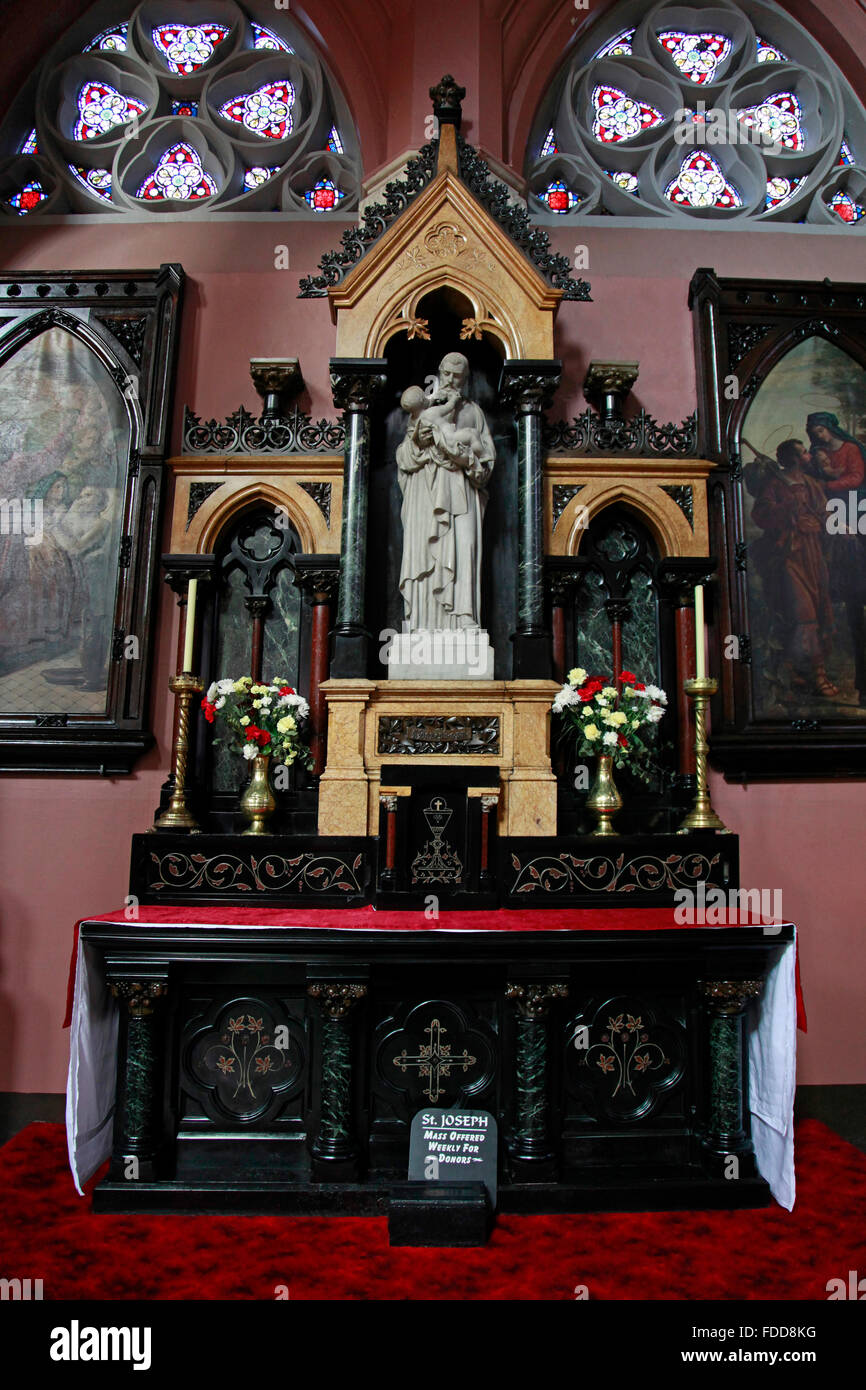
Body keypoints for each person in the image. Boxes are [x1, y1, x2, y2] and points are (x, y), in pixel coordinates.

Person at [396, 352, 495, 631]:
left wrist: (467, 460)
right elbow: (403, 458)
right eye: (448, 374)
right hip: (425, 491)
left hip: (461, 489)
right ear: (440, 372)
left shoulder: (473, 412)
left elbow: (486, 462)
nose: (452, 381)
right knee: (426, 551)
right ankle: (421, 623)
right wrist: (418, 444)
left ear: (466, 378)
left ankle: (464, 615)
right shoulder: (424, 409)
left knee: (465, 547)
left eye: (458, 376)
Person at [750, 439, 837, 697]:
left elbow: (824, 513)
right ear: (794, 458)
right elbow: (761, 515)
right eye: (804, 453)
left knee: (820, 611)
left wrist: (834, 526)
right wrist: (787, 509)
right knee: (803, 614)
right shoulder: (776, 484)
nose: (809, 456)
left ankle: (797, 672)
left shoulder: (811, 484)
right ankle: (817, 673)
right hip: (789, 554)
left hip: (813, 553)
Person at [807, 411, 866, 701]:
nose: (818, 435)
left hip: (855, 508)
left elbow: (856, 477)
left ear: (831, 429)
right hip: (829, 513)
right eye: (814, 431)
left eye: (821, 430)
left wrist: (825, 486)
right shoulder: (817, 455)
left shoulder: (850, 449)